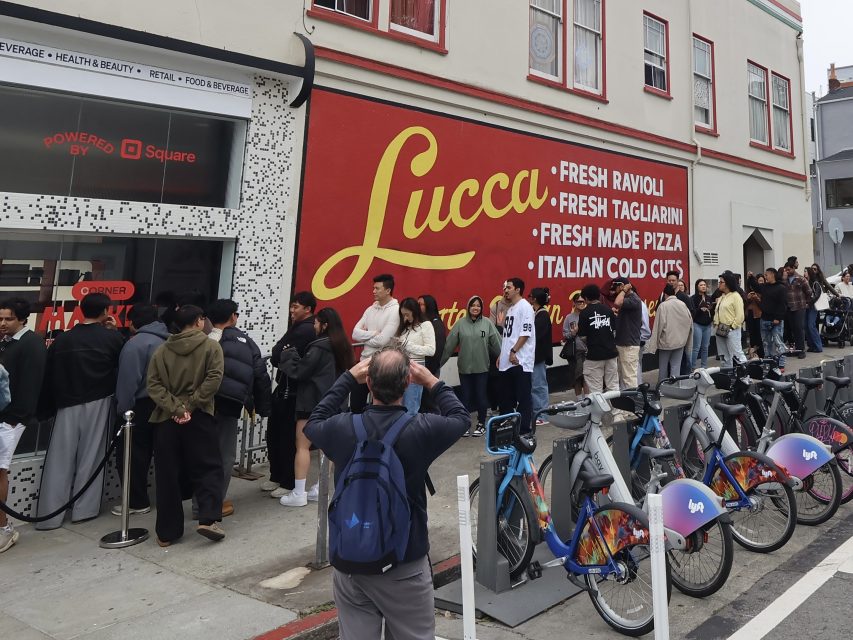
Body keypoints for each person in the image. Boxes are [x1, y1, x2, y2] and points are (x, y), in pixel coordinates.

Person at [304, 347, 469, 640]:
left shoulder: (343, 428)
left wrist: (346, 379)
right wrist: (431, 380)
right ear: (408, 382)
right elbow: (460, 418)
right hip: (403, 562)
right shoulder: (421, 429)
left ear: (368, 383)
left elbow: (314, 422)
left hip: (350, 561)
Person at [36, 293, 124, 530]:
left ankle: (49, 513)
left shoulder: (63, 340)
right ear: (106, 311)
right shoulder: (111, 339)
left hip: (65, 403)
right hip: (100, 400)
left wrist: (45, 408)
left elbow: (49, 375)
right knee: (93, 455)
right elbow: (122, 365)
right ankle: (84, 509)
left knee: (59, 458)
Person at [147, 305, 225, 545]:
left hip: (166, 418)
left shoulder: (162, 350)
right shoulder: (211, 346)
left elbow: (154, 384)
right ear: (199, 321)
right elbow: (214, 378)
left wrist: (176, 408)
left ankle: (166, 532)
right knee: (208, 467)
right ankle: (208, 519)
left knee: (167, 473)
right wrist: (190, 406)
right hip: (199, 416)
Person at [278, 307, 355, 507]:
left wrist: (289, 355)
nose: (313, 325)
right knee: (327, 448)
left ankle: (299, 492)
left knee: (302, 446)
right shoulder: (343, 346)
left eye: (316, 322)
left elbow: (300, 371)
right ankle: (320, 488)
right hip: (335, 403)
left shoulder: (318, 347)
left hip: (311, 402)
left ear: (324, 325)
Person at [205, 299, 272, 516]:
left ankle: (199, 502)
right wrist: (263, 407)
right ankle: (212, 504)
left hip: (201, 404)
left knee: (202, 453)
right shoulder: (247, 342)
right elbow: (261, 375)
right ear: (233, 316)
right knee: (224, 456)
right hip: (228, 404)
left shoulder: (203, 339)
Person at [112, 303, 169, 517]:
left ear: (132, 322)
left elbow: (128, 382)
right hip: (166, 404)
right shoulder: (170, 340)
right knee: (163, 453)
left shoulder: (136, 345)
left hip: (141, 405)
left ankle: (137, 501)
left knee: (132, 456)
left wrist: (122, 409)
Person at [0, 298, 47, 551]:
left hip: (10, 420)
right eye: (0, 319)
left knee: (0, 470)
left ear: (22, 319)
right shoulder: (8, 343)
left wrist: (14, 418)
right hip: (4, 416)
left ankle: (4, 527)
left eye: (8, 319)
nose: (3, 323)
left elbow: (30, 386)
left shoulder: (31, 344)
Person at [266, 291, 317, 497]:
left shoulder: (304, 330)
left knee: (286, 436)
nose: (292, 311)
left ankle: (286, 481)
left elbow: (279, 354)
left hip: (293, 391)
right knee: (275, 433)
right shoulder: (298, 327)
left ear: (308, 309)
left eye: (296, 307)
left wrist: (280, 352)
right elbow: (277, 352)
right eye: (291, 306)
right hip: (286, 388)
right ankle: (277, 476)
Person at [441, 295, 501, 436]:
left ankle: (481, 423)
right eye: (473, 305)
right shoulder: (460, 324)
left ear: (481, 308)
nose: (475, 308)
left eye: (478, 306)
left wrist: (506, 358)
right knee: (465, 397)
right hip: (464, 368)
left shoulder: (487, 323)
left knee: (481, 396)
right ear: (468, 307)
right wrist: (439, 364)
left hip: (482, 368)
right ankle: (465, 424)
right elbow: (449, 346)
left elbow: (498, 343)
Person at [351, 274, 400, 413]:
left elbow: (383, 340)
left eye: (377, 288)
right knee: (356, 403)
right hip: (364, 362)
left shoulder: (395, 311)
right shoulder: (370, 309)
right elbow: (354, 334)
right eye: (373, 288)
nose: (373, 291)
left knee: (380, 405)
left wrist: (365, 337)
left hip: (383, 366)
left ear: (388, 290)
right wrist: (373, 333)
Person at [497, 278, 536, 433]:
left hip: (520, 361)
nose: (506, 290)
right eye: (505, 287)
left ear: (518, 289)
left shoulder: (525, 307)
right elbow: (508, 335)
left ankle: (524, 430)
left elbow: (525, 333)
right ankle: (508, 428)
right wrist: (503, 354)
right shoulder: (512, 308)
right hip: (507, 361)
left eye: (509, 287)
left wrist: (513, 351)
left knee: (523, 398)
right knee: (506, 397)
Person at [394, 297, 435, 415]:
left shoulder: (426, 325)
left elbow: (431, 350)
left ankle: (410, 431)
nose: (405, 318)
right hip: (400, 367)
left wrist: (408, 345)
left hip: (415, 367)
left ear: (415, 311)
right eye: (403, 315)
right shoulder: (405, 327)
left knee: (411, 406)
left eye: (407, 314)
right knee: (399, 406)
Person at [578, 284, 618, 394]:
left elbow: (582, 337)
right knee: (613, 385)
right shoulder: (608, 310)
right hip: (611, 353)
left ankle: (598, 411)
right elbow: (614, 332)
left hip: (594, 355)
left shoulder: (584, 313)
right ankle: (616, 410)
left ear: (586, 298)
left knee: (595, 389)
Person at [648, 284, 693, 382]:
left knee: (663, 368)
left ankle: (662, 388)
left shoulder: (663, 306)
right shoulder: (682, 304)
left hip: (666, 342)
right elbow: (689, 322)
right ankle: (675, 386)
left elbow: (658, 326)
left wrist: (653, 346)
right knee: (676, 367)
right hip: (680, 342)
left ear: (665, 294)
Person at [612, 278, 642, 389]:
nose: (614, 290)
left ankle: (634, 404)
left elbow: (617, 302)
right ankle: (625, 403)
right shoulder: (628, 299)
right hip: (623, 343)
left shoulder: (633, 299)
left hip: (628, 345)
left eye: (616, 287)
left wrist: (624, 290)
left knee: (629, 378)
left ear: (622, 286)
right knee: (623, 376)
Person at [529, 288, 553, 426]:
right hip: (534, 356)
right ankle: (537, 412)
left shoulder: (542, 315)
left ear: (536, 299)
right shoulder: (537, 313)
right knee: (535, 385)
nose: (529, 298)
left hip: (538, 356)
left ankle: (542, 414)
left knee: (539, 385)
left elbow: (535, 336)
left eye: (531, 296)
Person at [758, 267, 789, 370]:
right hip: (764, 319)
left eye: (767, 274)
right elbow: (756, 287)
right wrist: (750, 278)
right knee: (766, 343)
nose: (765, 276)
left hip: (776, 320)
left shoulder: (781, 288)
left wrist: (778, 318)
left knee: (778, 342)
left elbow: (783, 304)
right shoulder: (765, 287)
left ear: (773, 275)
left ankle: (781, 364)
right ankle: (769, 363)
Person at [713, 273, 747, 366]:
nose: (719, 284)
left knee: (737, 353)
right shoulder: (722, 296)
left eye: (721, 282)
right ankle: (728, 374)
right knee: (724, 355)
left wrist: (732, 327)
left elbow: (740, 315)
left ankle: (744, 374)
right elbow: (718, 311)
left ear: (727, 283)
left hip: (732, 328)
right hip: (720, 328)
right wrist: (716, 324)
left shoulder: (736, 296)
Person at [562, 293, 588, 399]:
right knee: (576, 378)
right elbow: (565, 334)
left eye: (583, 301)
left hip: (587, 351)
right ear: (574, 303)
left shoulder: (588, 315)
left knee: (587, 377)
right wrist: (572, 333)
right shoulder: (569, 317)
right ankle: (579, 401)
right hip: (575, 352)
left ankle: (588, 399)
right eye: (579, 301)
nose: (581, 304)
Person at [784, 260, 810, 359]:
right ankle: (796, 348)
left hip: (799, 307)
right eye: (786, 270)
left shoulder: (800, 279)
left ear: (793, 268)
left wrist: (804, 302)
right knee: (793, 328)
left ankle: (801, 350)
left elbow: (808, 292)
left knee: (799, 328)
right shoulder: (785, 279)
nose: (787, 271)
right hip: (789, 307)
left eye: (789, 269)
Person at [690, 279, 714, 369]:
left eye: (704, 285)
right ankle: (692, 367)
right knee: (696, 347)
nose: (703, 286)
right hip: (697, 325)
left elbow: (712, 311)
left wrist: (711, 318)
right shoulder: (693, 298)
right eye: (701, 285)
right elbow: (692, 313)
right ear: (697, 287)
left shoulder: (708, 298)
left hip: (707, 325)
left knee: (705, 347)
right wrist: (700, 309)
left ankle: (704, 366)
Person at [804, 268, 824, 354]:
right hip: (805, 306)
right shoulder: (804, 282)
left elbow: (817, 294)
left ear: (809, 273)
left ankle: (818, 346)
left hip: (813, 306)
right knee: (806, 325)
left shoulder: (815, 282)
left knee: (811, 325)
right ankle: (811, 345)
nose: (804, 272)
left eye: (805, 271)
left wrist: (809, 303)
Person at [745, 273, 765, 359]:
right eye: (759, 281)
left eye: (762, 281)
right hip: (750, 314)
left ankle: (761, 354)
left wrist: (756, 298)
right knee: (752, 335)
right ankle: (753, 354)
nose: (760, 283)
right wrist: (748, 299)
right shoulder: (747, 292)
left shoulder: (763, 291)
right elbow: (744, 305)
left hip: (759, 315)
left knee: (759, 335)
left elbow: (763, 305)